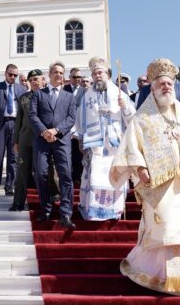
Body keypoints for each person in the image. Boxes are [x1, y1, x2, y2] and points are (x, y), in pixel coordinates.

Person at [110, 58, 180, 295]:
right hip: (159, 185)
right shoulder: (141, 118)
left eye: (170, 84)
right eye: (161, 84)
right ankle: (158, 277)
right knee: (167, 228)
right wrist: (140, 169)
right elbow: (130, 147)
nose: (167, 87)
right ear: (152, 87)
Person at [76, 56, 136, 220]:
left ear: (107, 74)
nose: (97, 76)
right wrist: (81, 139)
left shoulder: (119, 93)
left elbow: (132, 118)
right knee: (95, 175)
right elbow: (80, 120)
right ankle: (94, 211)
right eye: (94, 74)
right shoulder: (87, 95)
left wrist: (124, 106)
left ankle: (115, 211)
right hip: (95, 144)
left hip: (114, 143)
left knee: (114, 175)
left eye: (100, 72)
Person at [29, 61, 77, 229]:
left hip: (62, 140)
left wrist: (56, 130)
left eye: (61, 73)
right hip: (42, 141)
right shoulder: (37, 94)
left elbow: (71, 118)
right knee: (41, 174)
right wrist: (45, 132)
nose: (58, 75)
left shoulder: (69, 96)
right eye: (55, 72)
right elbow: (33, 115)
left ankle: (66, 213)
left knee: (66, 176)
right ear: (49, 75)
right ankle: (46, 209)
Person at [0, 64, 27, 195]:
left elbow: (26, 110)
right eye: (10, 74)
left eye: (15, 75)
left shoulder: (21, 89)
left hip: (16, 125)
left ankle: (9, 186)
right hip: (0, 125)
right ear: (5, 74)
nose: (13, 77)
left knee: (13, 157)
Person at [10, 69, 44, 211]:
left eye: (36, 79)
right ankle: (18, 202)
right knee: (22, 171)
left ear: (43, 80)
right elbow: (18, 120)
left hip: (43, 139)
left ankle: (46, 203)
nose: (34, 82)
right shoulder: (24, 97)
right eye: (31, 80)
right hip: (25, 139)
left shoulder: (48, 95)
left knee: (43, 171)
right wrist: (16, 140)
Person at [64, 67, 84, 183]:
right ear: (70, 78)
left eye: (79, 77)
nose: (77, 79)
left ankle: (77, 176)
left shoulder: (85, 91)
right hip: (66, 126)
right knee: (66, 153)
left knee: (78, 153)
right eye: (74, 77)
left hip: (79, 126)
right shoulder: (64, 89)